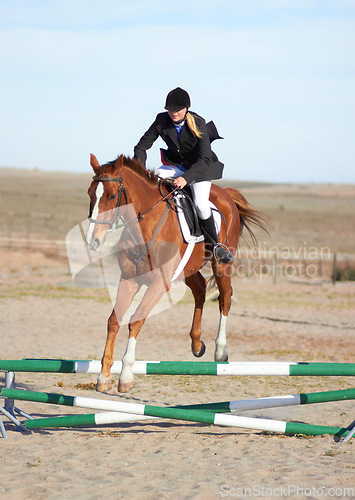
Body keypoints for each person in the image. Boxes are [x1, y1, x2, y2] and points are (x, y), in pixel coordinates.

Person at [133, 87, 234, 264]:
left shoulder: (198, 123)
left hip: (199, 168)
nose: (173, 113)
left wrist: (186, 178)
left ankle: (216, 245)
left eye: (177, 110)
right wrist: (140, 173)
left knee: (201, 205)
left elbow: (204, 159)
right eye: (170, 110)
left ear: (186, 108)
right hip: (176, 165)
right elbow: (141, 147)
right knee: (154, 184)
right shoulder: (161, 119)